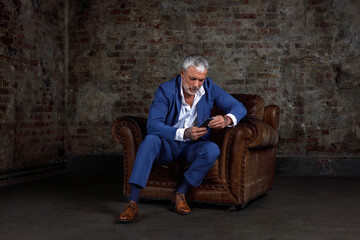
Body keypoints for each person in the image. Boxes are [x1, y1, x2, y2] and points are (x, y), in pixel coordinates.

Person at [117, 55, 247, 223]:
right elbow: (153, 125)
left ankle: (181, 193)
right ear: (182, 73)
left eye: (201, 80)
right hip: (168, 144)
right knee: (150, 140)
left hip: (192, 147)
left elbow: (239, 107)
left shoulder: (209, 87)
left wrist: (227, 119)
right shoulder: (166, 90)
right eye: (193, 79)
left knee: (212, 149)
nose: (196, 85)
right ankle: (132, 202)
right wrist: (184, 133)